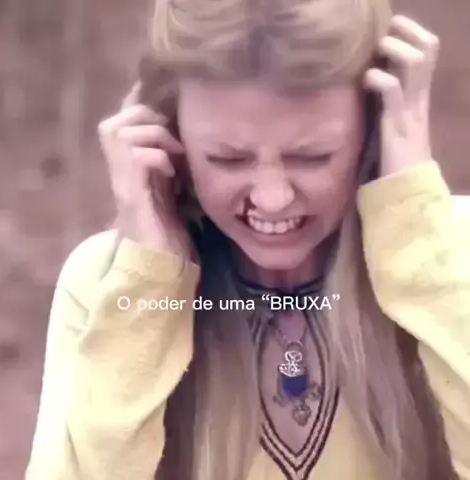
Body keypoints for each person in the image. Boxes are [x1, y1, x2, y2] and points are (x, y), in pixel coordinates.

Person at [26, 0, 470, 479]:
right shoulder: (105, 283)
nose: (272, 198)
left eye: (313, 156)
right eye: (228, 158)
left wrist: (418, 246)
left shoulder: (450, 252)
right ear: (166, 134)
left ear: (375, 127)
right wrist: (148, 287)